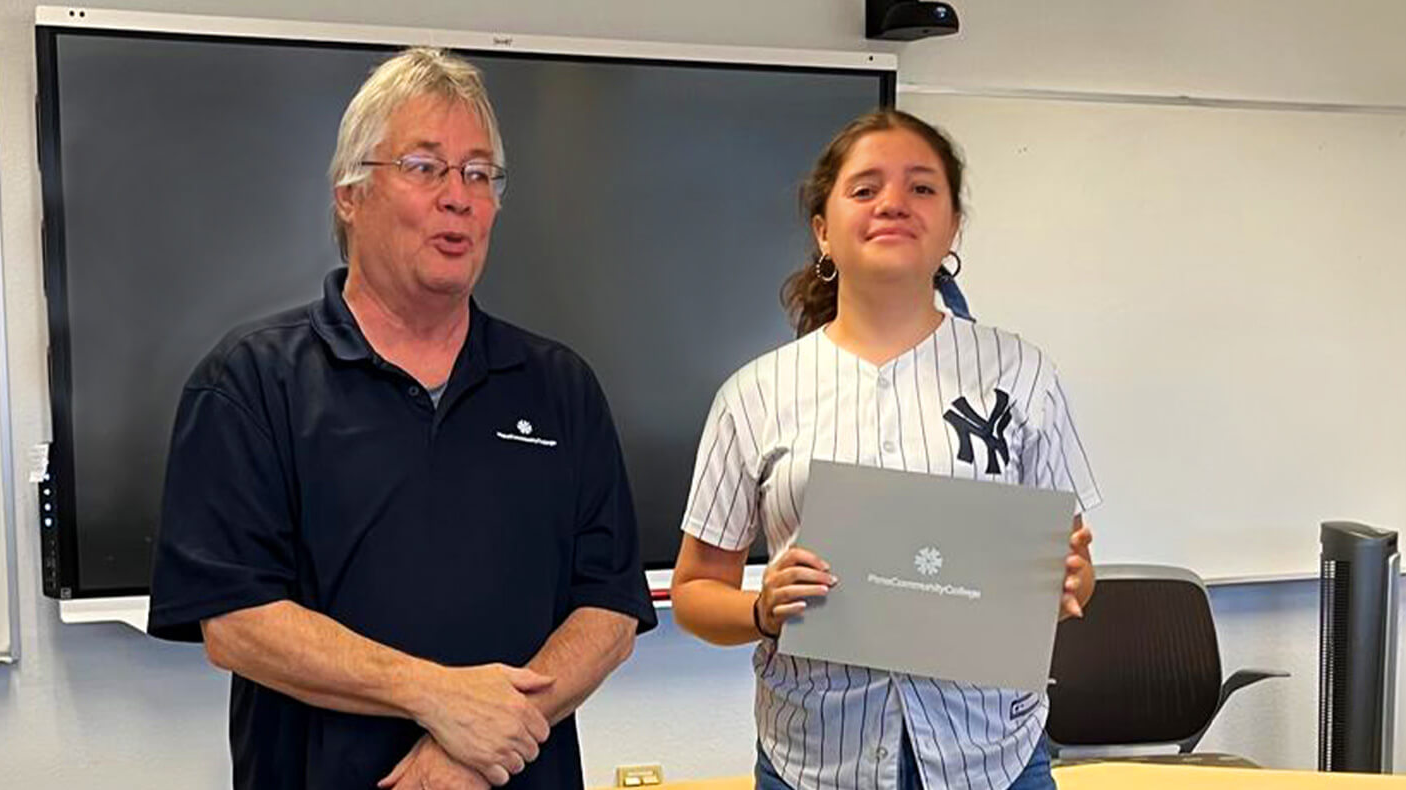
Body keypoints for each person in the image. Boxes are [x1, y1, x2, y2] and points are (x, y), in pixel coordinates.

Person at [146, 47, 657, 790]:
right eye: (424, 167)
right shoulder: (249, 383)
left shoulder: (559, 388)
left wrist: (478, 745)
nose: (459, 197)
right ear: (349, 195)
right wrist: (435, 695)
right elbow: (236, 622)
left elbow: (608, 611)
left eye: (479, 174)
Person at [669, 108, 1102, 790]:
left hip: (992, 758)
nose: (893, 203)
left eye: (921, 187)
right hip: (814, 761)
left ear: (952, 227)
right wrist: (760, 610)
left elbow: (1073, 568)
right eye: (865, 188)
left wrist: (1071, 582)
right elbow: (695, 592)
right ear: (823, 230)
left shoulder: (1022, 375)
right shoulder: (754, 395)